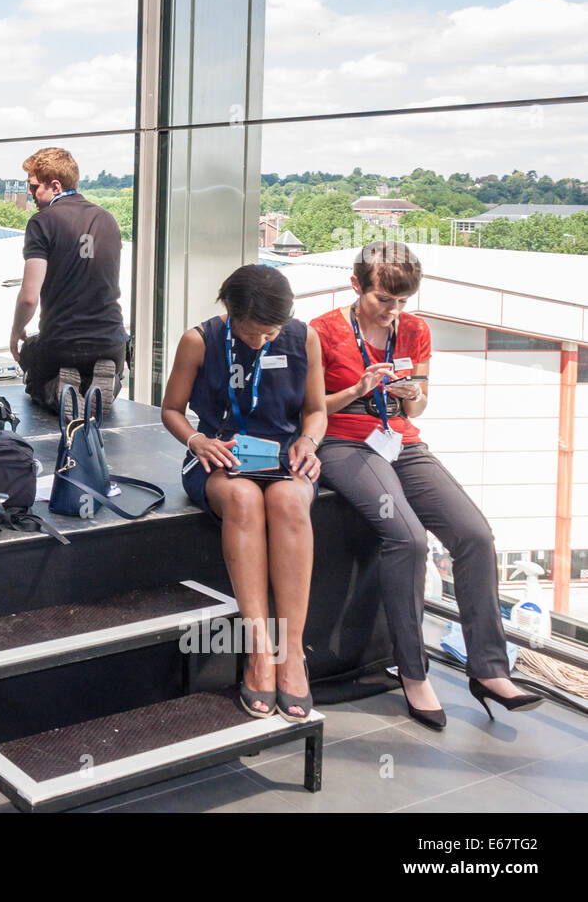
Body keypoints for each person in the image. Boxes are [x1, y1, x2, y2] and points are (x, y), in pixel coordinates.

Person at [311, 241, 542, 729]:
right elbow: (309, 411)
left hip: (399, 438)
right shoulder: (323, 332)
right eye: (384, 301)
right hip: (344, 442)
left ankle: (489, 669)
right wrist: (359, 388)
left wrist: (412, 393)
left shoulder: (415, 330)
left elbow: (418, 408)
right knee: (409, 539)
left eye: (402, 301)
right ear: (356, 287)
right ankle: (412, 671)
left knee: (475, 535)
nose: (394, 311)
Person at [161, 265, 326, 721]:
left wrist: (309, 442)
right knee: (244, 498)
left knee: (290, 500)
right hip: (219, 454)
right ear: (229, 312)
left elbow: (315, 411)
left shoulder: (303, 338)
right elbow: (172, 410)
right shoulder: (199, 341)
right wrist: (197, 441)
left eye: (270, 333)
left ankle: (292, 652)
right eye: (252, 334)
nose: (261, 342)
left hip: (284, 455)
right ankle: (258, 650)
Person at [10, 148, 128, 411]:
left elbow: (29, 297)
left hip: (63, 345)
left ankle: (58, 390)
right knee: (103, 370)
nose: (31, 194)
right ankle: (106, 383)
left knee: (32, 369)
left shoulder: (42, 222)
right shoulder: (108, 219)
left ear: (54, 185)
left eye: (34, 187)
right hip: (112, 342)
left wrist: (16, 331)